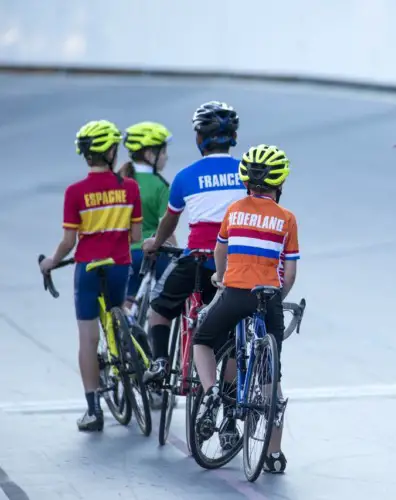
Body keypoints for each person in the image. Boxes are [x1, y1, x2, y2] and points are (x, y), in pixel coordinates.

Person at [192, 144, 299, 473]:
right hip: (267, 298)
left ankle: (211, 393)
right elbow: (290, 272)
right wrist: (279, 297)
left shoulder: (234, 210)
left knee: (202, 340)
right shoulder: (287, 219)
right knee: (272, 379)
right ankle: (274, 455)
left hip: (235, 292)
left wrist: (221, 278)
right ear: (279, 184)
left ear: (246, 181)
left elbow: (219, 250)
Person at [39, 120, 143, 431]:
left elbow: (68, 242)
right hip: (119, 265)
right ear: (112, 151)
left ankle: (93, 410)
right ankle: (127, 348)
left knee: (87, 338)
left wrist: (50, 263)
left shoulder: (75, 192)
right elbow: (135, 233)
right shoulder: (131, 187)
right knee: (117, 313)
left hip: (87, 268)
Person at [141, 101, 246, 383]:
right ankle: (226, 392)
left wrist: (155, 241)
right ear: (233, 138)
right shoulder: (246, 173)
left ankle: (161, 362)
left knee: (158, 311)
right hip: (235, 264)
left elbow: (170, 221)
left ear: (199, 138)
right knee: (235, 330)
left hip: (197, 261)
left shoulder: (185, 177)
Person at [118, 121, 178, 317]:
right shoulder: (160, 186)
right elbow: (167, 226)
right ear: (150, 154)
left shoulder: (119, 180)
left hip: (120, 254)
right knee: (168, 297)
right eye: (163, 152)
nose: (166, 156)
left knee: (126, 298)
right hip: (148, 252)